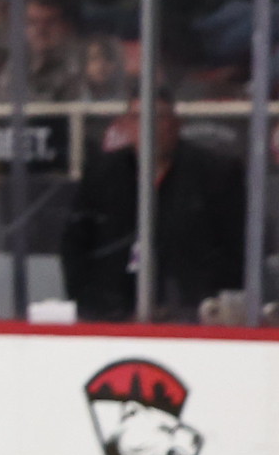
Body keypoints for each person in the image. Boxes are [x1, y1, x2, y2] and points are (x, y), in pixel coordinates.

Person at [60, 95, 245, 321]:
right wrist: (89, 303)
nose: (148, 126)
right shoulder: (103, 174)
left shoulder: (216, 173)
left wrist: (213, 301)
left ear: (177, 124)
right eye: (138, 117)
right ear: (126, 125)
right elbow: (75, 244)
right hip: (114, 311)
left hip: (193, 314)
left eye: (158, 117)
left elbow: (238, 246)